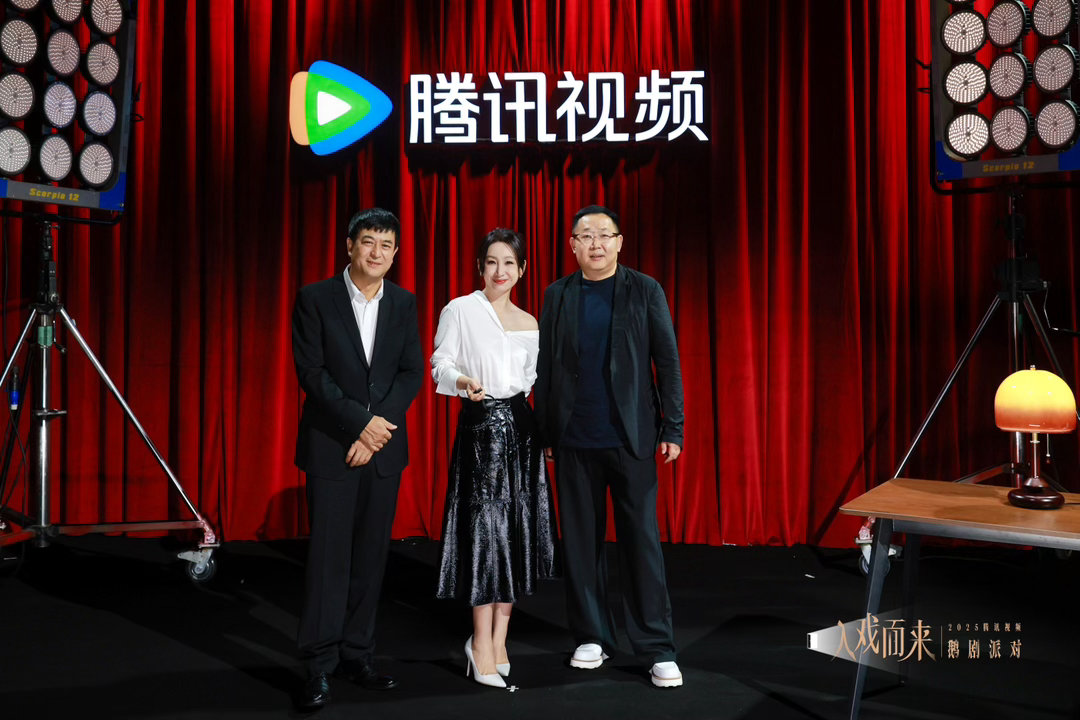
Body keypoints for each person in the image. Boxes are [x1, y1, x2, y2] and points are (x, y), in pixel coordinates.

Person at [534, 205, 685, 688]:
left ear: (619, 242)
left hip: (631, 437)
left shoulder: (645, 289)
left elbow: (667, 361)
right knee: (581, 544)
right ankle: (592, 636)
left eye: (604, 235)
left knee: (641, 544)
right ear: (572, 245)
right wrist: (547, 433)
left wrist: (673, 428)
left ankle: (657, 646)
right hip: (574, 439)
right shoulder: (557, 295)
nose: (595, 243)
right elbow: (545, 368)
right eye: (585, 236)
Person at [291, 207, 424, 710]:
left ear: (395, 253)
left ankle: (357, 655)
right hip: (331, 447)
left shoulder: (403, 303)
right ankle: (318, 665)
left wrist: (375, 430)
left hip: (382, 449)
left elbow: (410, 372)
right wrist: (360, 424)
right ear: (349, 246)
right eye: (368, 242)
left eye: (386, 245)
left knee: (370, 558)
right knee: (328, 561)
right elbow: (312, 373)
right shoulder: (315, 298)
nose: (376, 252)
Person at [430, 228, 559, 689]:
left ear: (522, 270)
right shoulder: (461, 309)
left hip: (522, 430)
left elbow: (532, 383)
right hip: (481, 428)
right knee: (486, 534)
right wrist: (463, 381)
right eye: (491, 262)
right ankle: (479, 642)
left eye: (508, 263)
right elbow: (440, 363)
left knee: (516, 531)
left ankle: (501, 641)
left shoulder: (531, 323)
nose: (499, 271)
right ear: (480, 268)